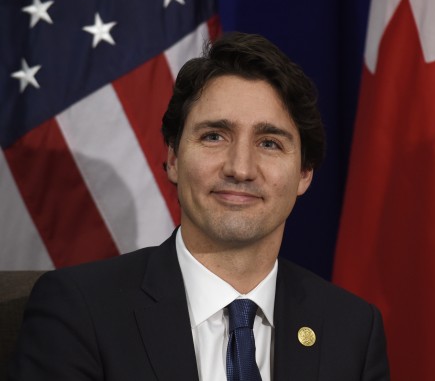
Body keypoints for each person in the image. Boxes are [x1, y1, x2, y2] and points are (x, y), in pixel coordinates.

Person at [10, 32, 390, 381]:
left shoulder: (352, 329)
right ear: (173, 158)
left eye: (270, 143)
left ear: (304, 173)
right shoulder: (81, 311)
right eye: (213, 136)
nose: (240, 168)